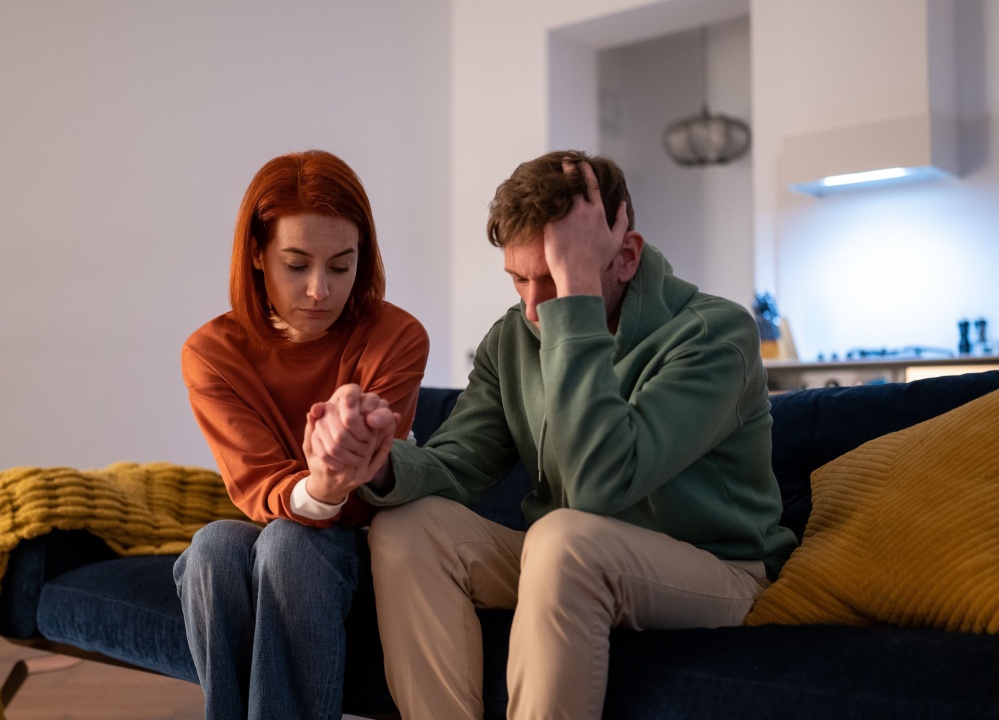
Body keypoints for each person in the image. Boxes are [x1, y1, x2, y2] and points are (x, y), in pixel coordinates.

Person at [306, 150, 797, 719]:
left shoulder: (716, 333)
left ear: (626, 256)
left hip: (718, 572)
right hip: (565, 560)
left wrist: (580, 300)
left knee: (564, 539)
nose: (535, 310)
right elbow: (459, 463)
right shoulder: (512, 339)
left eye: (556, 278)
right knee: (408, 528)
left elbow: (598, 487)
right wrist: (377, 462)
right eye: (519, 280)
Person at [174, 149, 428, 720]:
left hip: (362, 545)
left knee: (290, 545)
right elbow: (257, 485)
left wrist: (338, 480)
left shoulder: (397, 335)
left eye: (341, 267)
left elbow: (370, 489)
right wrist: (321, 483)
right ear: (258, 256)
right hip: (277, 528)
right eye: (297, 265)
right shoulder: (211, 354)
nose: (319, 290)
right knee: (213, 546)